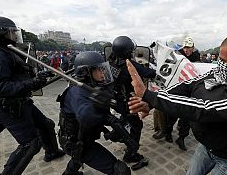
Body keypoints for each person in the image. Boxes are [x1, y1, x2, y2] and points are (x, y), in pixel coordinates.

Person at [127, 31, 227, 174]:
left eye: (223, 61)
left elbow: (204, 108)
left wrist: (149, 96)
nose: (219, 64)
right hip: (206, 147)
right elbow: (189, 85)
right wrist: (151, 102)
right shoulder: (220, 74)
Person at [0, 16, 65, 174]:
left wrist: (38, 77)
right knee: (30, 144)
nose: (15, 35)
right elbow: (0, 87)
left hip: (18, 101)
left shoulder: (1, 49)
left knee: (46, 125)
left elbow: (16, 73)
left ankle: (52, 152)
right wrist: (33, 83)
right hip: (7, 105)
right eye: (11, 32)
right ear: (0, 32)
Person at [58, 51, 131, 175]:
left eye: (104, 69)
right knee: (121, 171)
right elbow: (85, 117)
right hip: (75, 143)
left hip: (84, 138)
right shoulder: (76, 92)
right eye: (99, 70)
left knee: (78, 158)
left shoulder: (94, 88)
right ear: (86, 72)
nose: (103, 73)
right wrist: (98, 107)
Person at [109, 36, 155, 164]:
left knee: (124, 118)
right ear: (127, 52)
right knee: (137, 125)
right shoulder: (129, 66)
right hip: (127, 101)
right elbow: (150, 73)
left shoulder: (111, 62)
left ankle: (116, 133)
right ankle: (131, 154)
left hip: (115, 98)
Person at [164, 36, 200, 150]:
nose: (186, 50)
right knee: (171, 115)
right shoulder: (177, 54)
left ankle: (182, 138)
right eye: (184, 48)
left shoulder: (196, 56)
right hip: (178, 90)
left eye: (188, 48)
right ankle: (168, 132)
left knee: (186, 118)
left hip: (190, 92)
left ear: (193, 48)